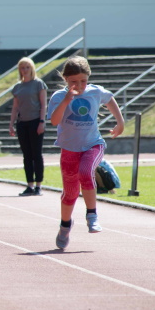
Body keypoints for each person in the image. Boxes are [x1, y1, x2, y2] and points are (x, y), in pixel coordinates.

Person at [47, 56, 125, 251]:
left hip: (93, 144)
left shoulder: (95, 92)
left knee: (86, 172)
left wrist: (120, 122)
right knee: (70, 193)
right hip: (69, 149)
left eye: (83, 81)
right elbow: (54, 121)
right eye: (74, 81)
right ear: (66, 79)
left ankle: (92, 215)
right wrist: (67, 100)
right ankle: (65, 226)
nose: (79, 85)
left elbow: (109, 99)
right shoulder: (58, 96)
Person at [9, 57, 48, 196]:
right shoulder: (17, 87)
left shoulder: (39, 84)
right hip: (22, 123)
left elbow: (43, 104)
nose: (25, 70)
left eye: (27, 67)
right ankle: (29, 185)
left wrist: (42, 122)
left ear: (32, 68)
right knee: (27, 155)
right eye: (22, 67)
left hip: (36, 121)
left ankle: (38, 185)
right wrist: (11, 124)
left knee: (36, 154)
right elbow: (15, 107)